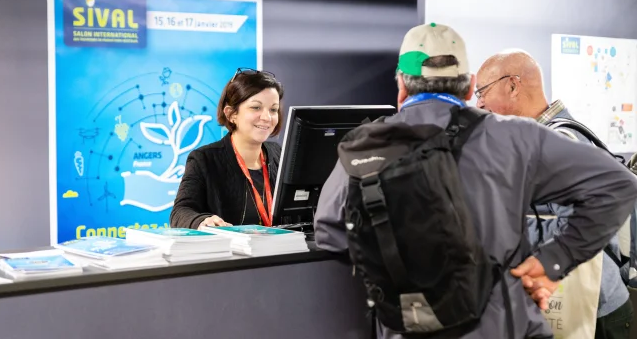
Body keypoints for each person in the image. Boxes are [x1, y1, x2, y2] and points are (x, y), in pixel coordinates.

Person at [313, 23, 637, 338]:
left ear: (401, 87)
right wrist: (554, 259)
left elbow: (329, 233)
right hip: (501, 326)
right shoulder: (515, 136)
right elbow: (618, 185)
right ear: (468, 88)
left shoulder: (364, 145)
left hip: (408, 326)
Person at [476, 49, 634, 338]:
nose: (479, 102)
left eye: (482, 91)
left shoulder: (557, 143)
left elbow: (582, 224)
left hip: (592, 312)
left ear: (512, 86)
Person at [170, 68, 283, 229]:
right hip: (231, 252)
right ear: (231, 114)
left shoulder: (279, 154)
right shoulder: (204, 159)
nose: (267, 117)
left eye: (273, 109)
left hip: (282, 251)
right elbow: (180, 212)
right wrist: (201, 220)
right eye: (256, 108)